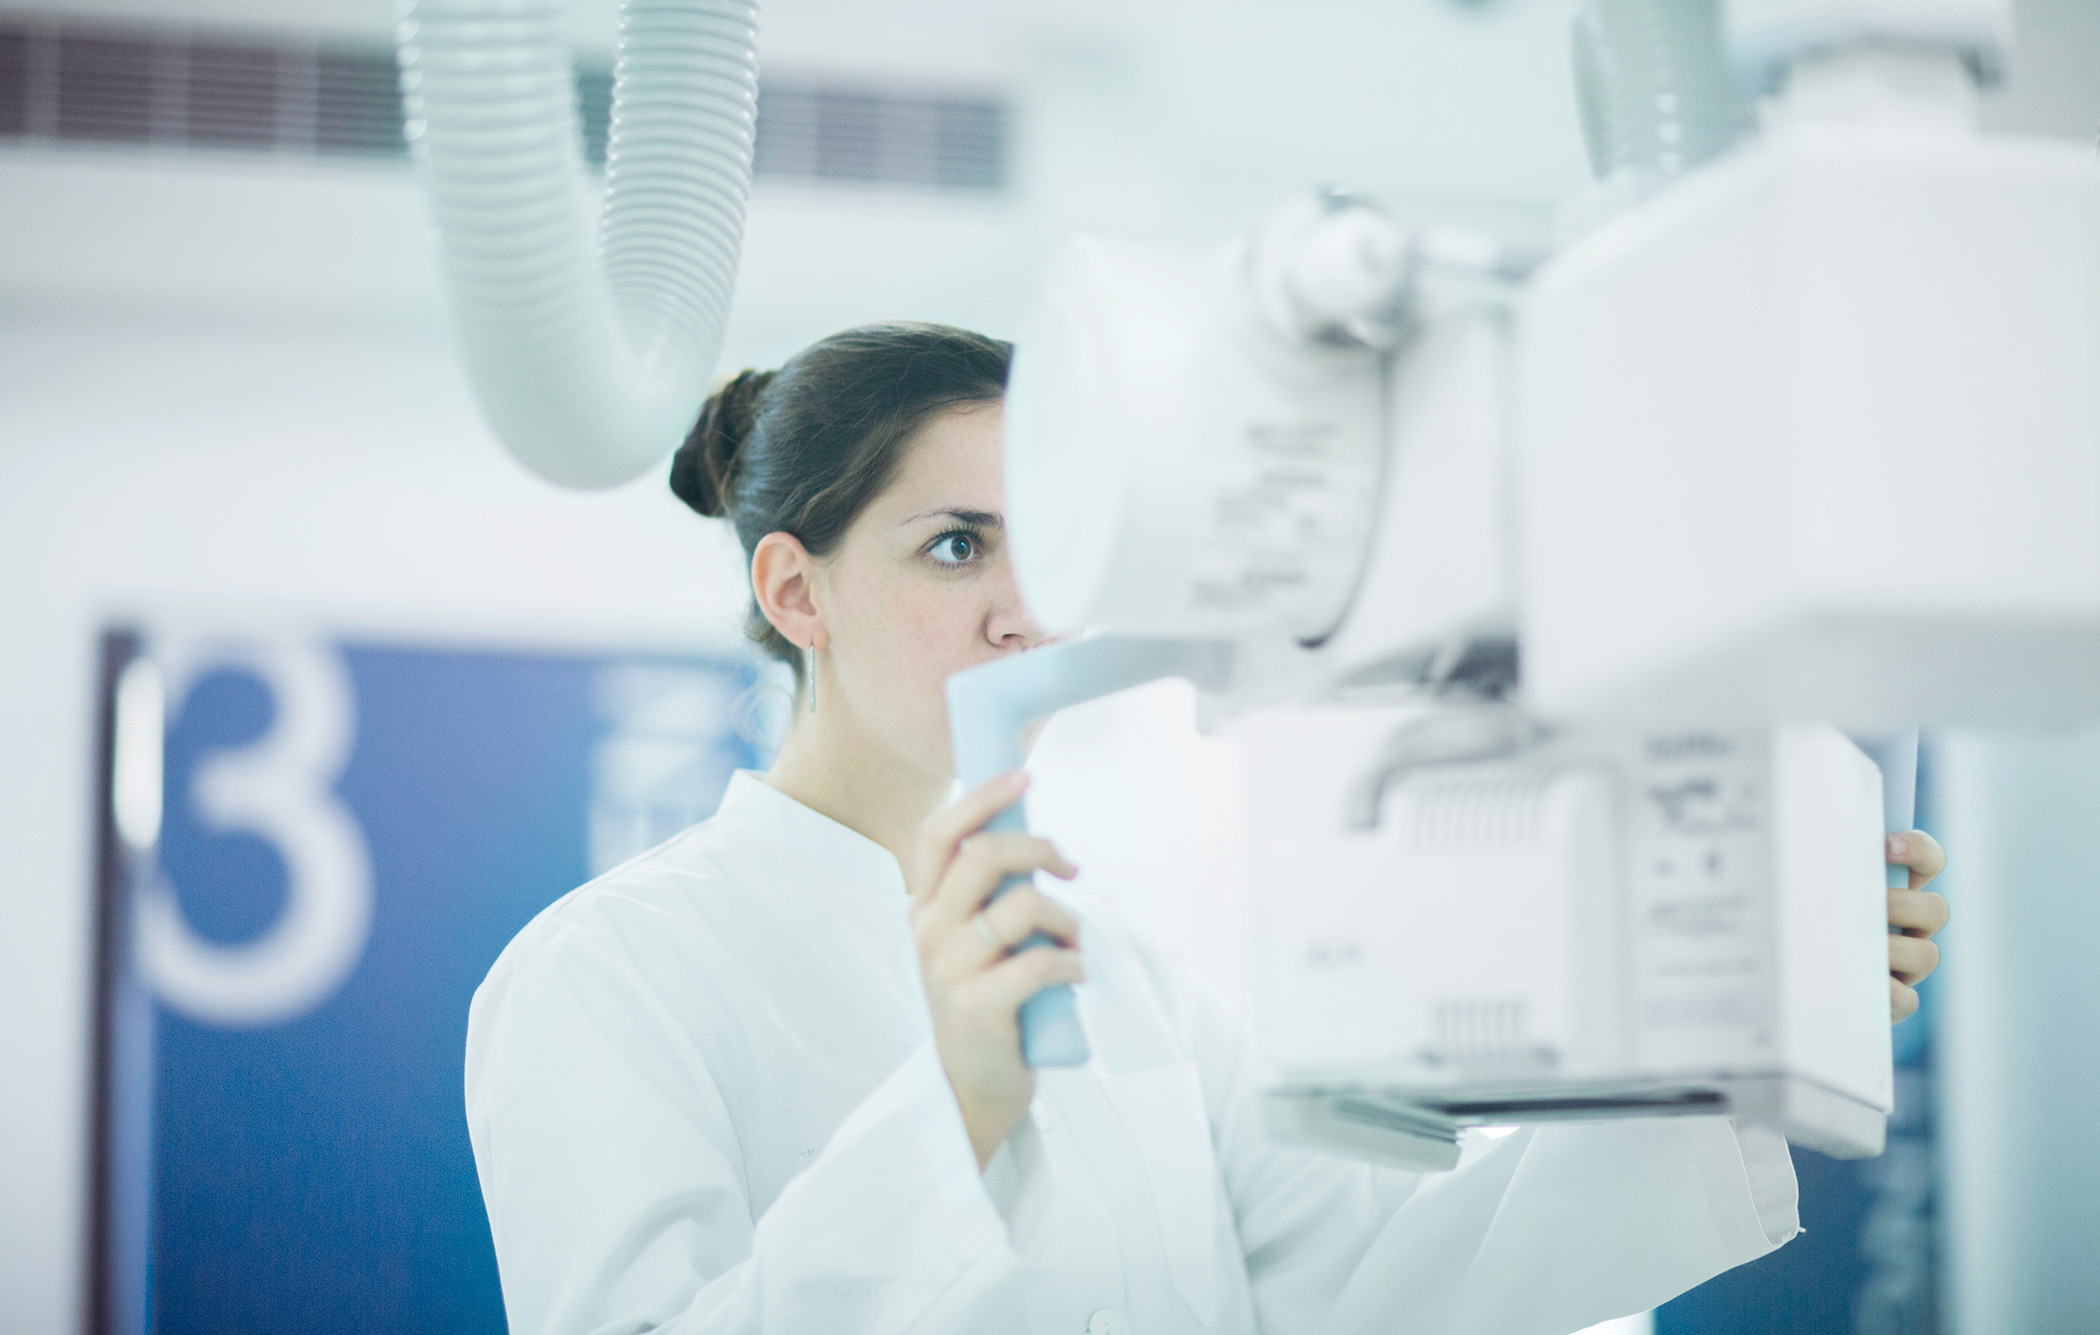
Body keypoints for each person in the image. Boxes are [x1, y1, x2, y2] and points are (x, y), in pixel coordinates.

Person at [464, 322, 1951, 1335]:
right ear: (798, 593)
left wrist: (1753, 1021)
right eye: (957, 546)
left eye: (1053, 552)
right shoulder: (609, 973)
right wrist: (956, 1112)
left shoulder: (1118, 975)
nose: (1024, 614)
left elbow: (1380, 1281)